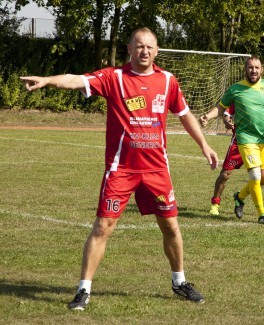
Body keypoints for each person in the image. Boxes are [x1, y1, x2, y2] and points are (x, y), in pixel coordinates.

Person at [21, 27, 219, 309]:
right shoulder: (114, 78)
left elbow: (184, 115)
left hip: (157, 170)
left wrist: (205, 146)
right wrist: (47, 81)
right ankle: (83, 290)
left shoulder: (167, 81)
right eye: (139, 46)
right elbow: (76, 80)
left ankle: (180, 282)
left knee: (171, 226)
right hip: (121, 170)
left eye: (149, 47)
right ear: (129, 49)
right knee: (103, 226)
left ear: (157, 50)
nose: (144, 51)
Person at [201, 55, 264, 225]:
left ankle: (239, 197)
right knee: (254, 175)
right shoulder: (236, 89)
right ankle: (262, 214)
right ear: (245, 70)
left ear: (261, 69)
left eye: (256, 68)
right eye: (250, 68)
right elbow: (221, 107)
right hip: (246, 139)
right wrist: (208, 116)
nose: (253, 71)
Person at [199, 104, 264, 219]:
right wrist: (227, 121)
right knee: (225, 174)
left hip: (259, 143)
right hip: (239, 143)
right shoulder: (241, 95)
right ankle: (215, 204)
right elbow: (227, 113)